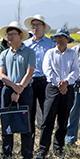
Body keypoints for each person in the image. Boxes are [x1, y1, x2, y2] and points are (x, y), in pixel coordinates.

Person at [0, 22, 37, 159]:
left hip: (25, 90)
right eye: (8, 35)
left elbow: (29, 72)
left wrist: (20, 89)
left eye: (12, 34)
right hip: (8, 90)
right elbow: (2, 74)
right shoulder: (4, 53)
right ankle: (7, 155)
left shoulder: (29, 52)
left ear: (20, 36)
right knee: (7, 122)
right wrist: (14, 88)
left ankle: (27, 156)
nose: (9, 37)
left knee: (26, 123)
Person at [37, 29, 80, 159]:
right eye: (57, 37)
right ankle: (43, 150)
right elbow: (47, 70)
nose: (59, 40)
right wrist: (58, 83)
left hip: (68, 88)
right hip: (52, 88)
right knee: (47, 119)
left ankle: (58, 149)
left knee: (63, 120)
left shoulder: (72, 54)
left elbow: (75, 71)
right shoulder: (50, 53)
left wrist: (66, 82)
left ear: (68, 39)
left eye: (62, 37)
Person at [24, 14, 56, 149]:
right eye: (33, 25)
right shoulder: (26, 45)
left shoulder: (50, 45)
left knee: (46, 115)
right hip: (29, 82)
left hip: (45, 81)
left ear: (43, 27)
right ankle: (28, 147)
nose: (34, 28)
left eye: (37, 25)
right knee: (29, 115)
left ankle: (44, 147)